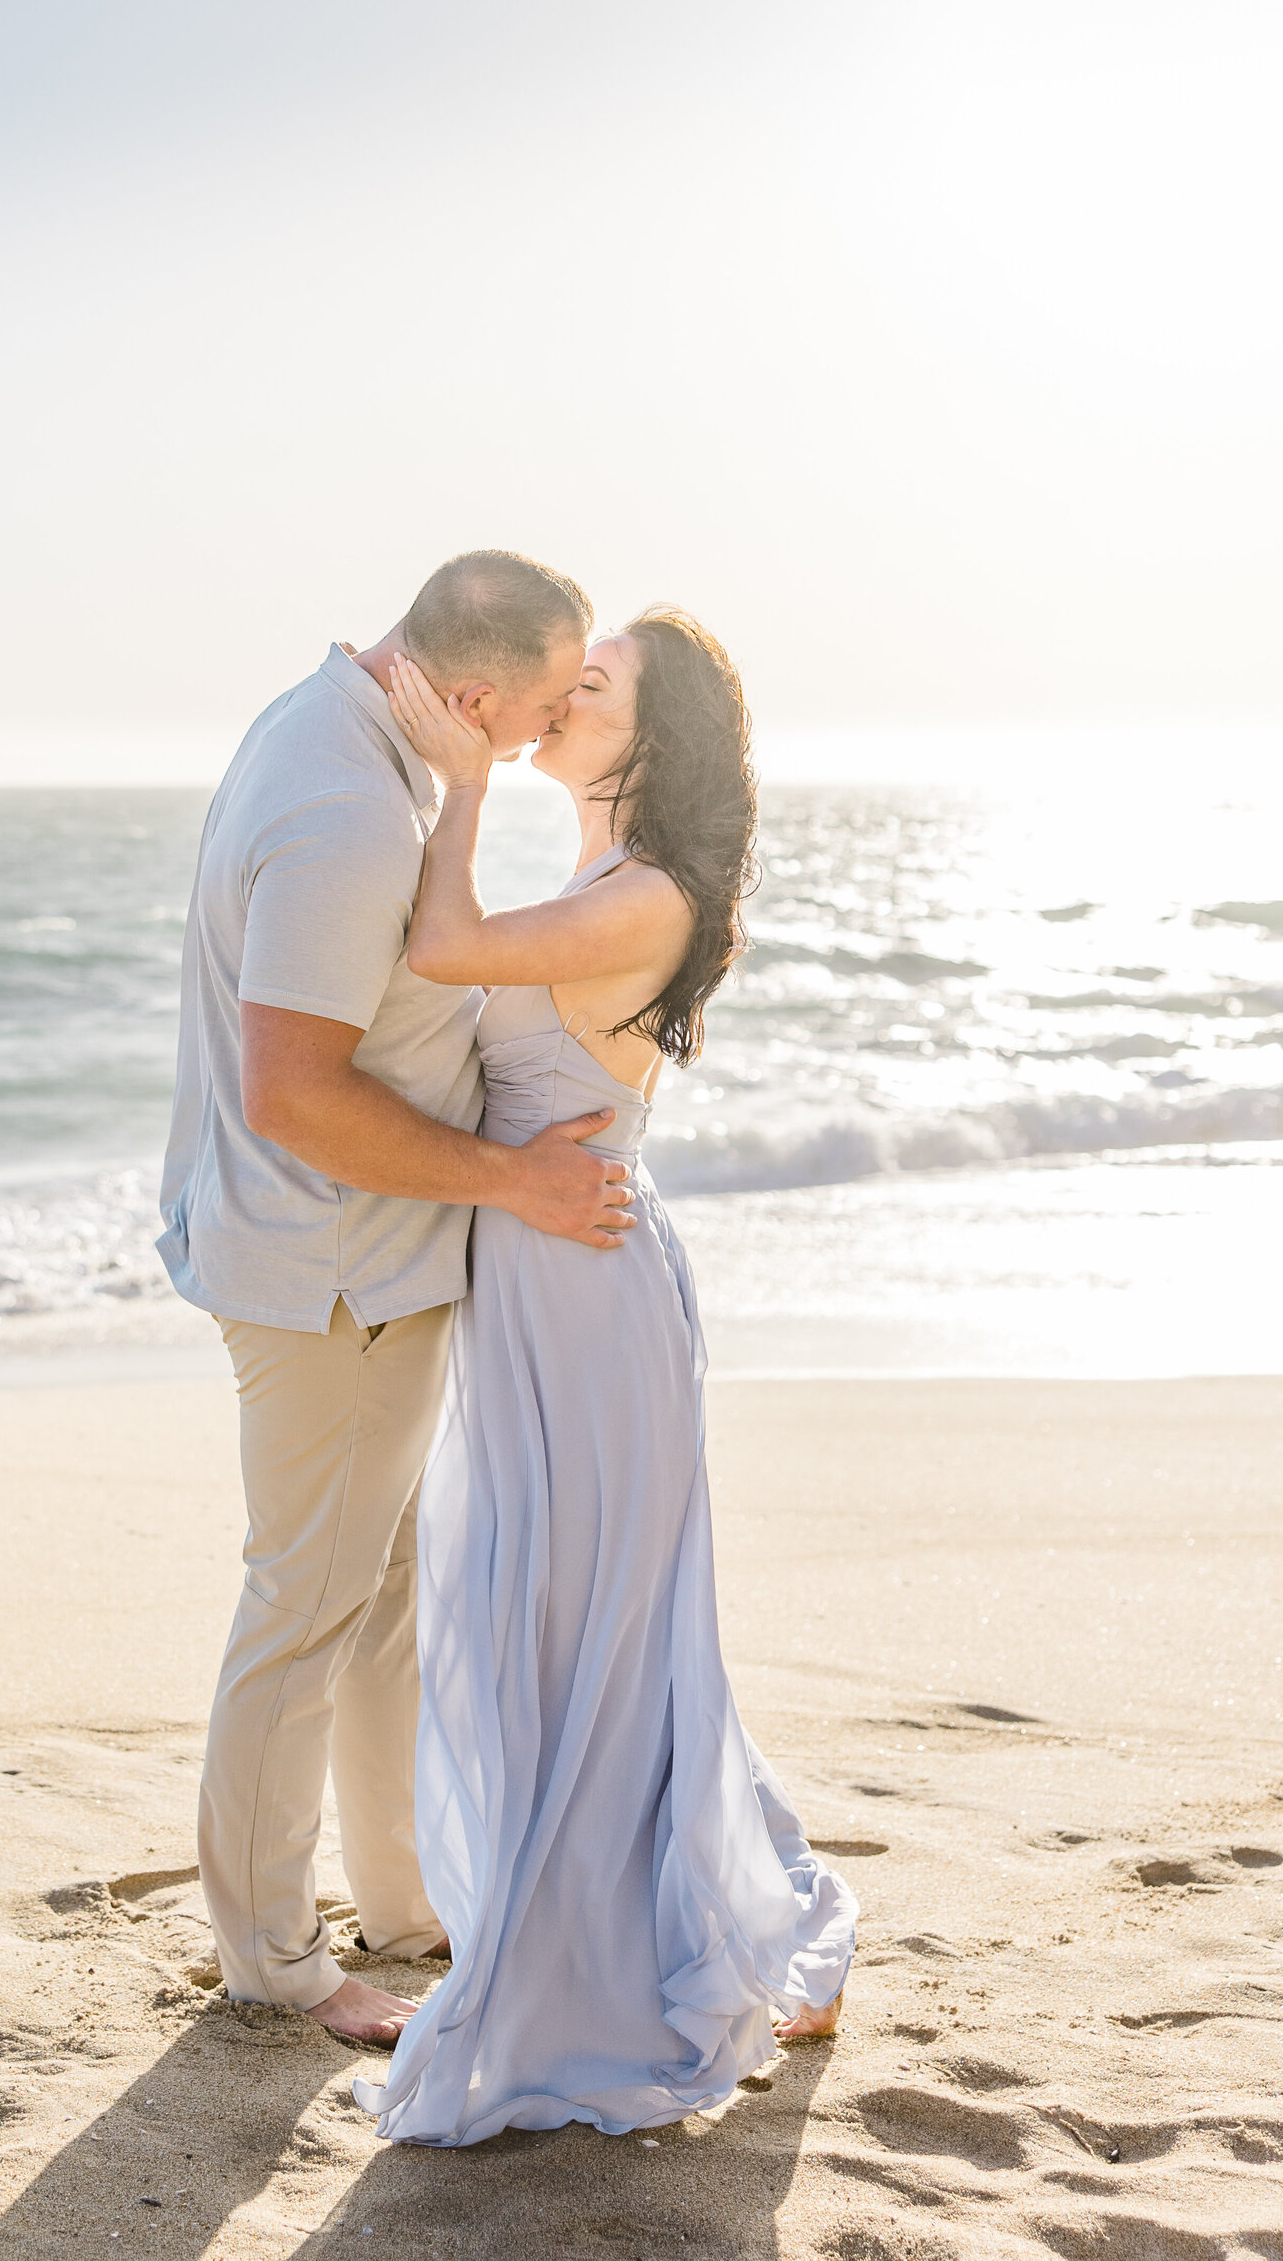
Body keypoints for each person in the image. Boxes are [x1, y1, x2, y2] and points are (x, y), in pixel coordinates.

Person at [353, 609, 857, 2144]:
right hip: (544, 1280)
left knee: (595, 1646)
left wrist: (451, 782)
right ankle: (742, 1910)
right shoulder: (597, 877)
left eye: (598, 686)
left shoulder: (644, 896)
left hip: (591, 1299)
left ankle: (640, 1955)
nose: (567, 697)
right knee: (564, 1633)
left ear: (656, 738)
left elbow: (442, 949)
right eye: (569, 682)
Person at [157, 551, 639, 2045]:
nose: (551, 728)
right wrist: (518, 1184)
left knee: (372, 1603)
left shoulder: (346, 729)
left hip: (348, 1260)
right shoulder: (351, 808)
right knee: (305, 1607)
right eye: (548, 705)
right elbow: (295, 1092)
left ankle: (404, 1902)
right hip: (334, 1277)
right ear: (478, 691)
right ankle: (274, 1963)